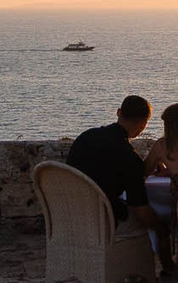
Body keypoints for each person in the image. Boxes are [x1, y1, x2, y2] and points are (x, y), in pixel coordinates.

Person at [66, 94, 170, 263]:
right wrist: (161, 228)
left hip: (71, 214)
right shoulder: (129, 157)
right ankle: (143, 270)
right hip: (105, 220)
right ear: (144, 124)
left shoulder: (85, 138)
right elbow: (141, 211)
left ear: (119, 112)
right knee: (154, 225)